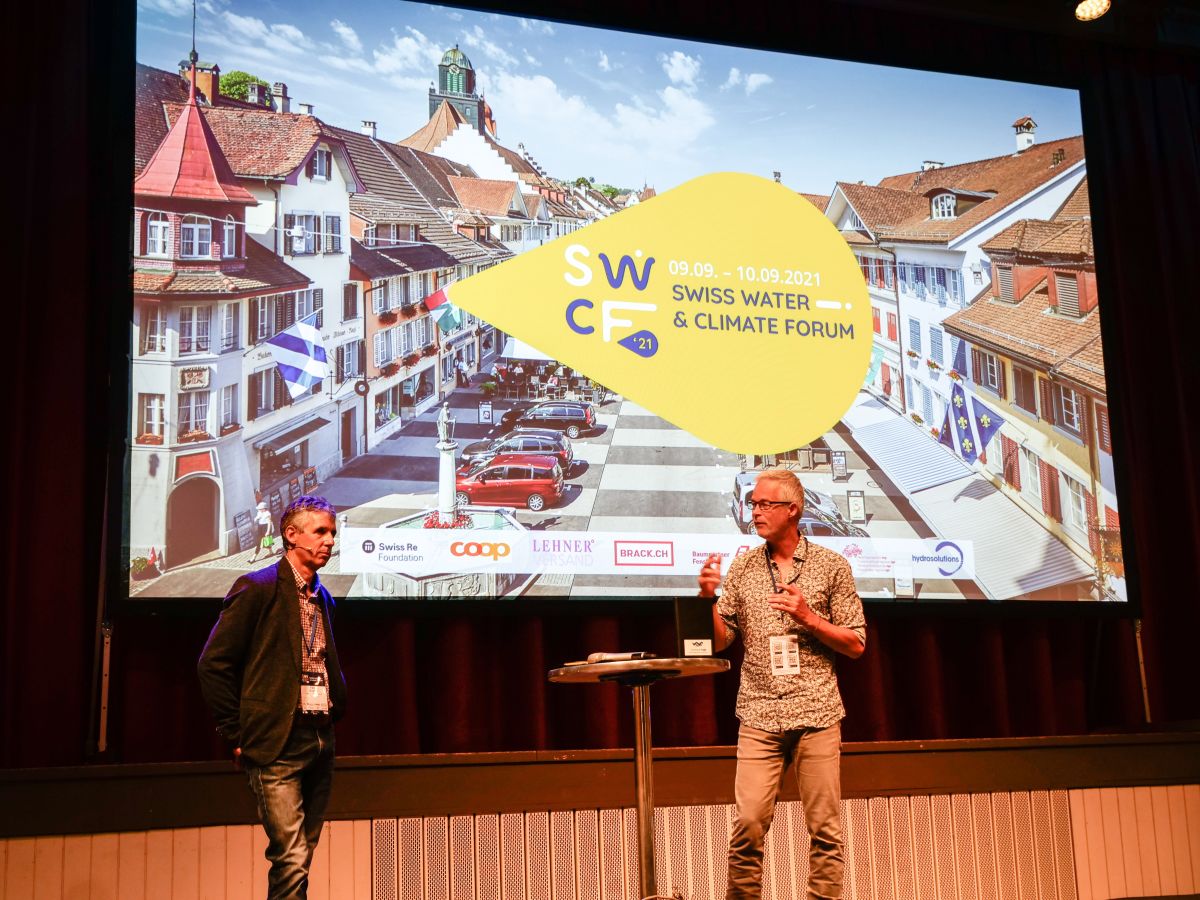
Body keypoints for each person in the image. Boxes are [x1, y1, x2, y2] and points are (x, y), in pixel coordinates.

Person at [698, 469, 865, 900]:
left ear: (792, 510)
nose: (754, 511)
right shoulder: (744, 567)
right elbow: (720, 640)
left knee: (825, 830)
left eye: (764, 504)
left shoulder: (831, 566)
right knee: (748, 825)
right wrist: (707, 599)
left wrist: (809, 617)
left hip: (817, 713)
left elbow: (855, 644)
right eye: (753, 504)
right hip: (759, 714)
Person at [198, 495, 347, 900]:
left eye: (332, 533)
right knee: (292, 858)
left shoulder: (323, 597)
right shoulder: (257, 587)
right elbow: (213, 664)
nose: (329, 541)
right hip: (275, 742)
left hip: (320, 738)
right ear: (291, 535)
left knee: (298, 858)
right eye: (320, 531)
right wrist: (236, 734)